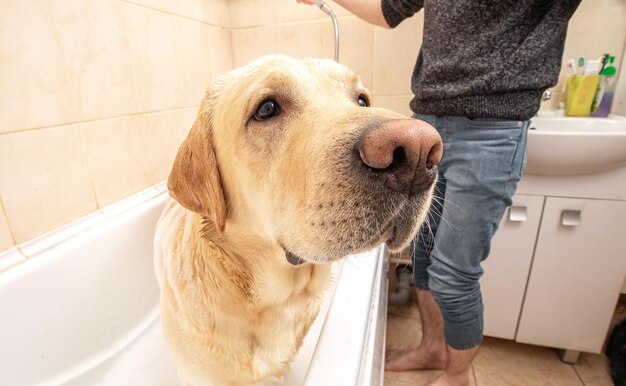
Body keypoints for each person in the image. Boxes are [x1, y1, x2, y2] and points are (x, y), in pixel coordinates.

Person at [297, 1, 581, 385]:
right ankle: (431, 349)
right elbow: (388, 11)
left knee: (454, 274)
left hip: (493, 129)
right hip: (427, 119)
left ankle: (457, 375)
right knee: (423, 259)